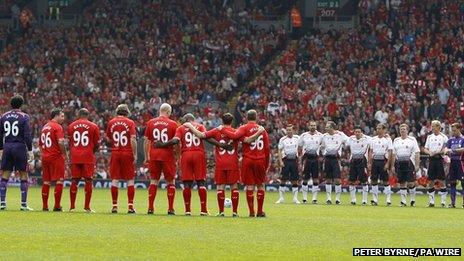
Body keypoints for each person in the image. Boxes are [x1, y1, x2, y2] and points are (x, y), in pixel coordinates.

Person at [184, 113, 261, 217]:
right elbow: (247, 140)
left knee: (221, 187)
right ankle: (234, 212)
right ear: (232, 121)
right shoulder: (236, 132)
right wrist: (260, 131)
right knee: (234, 187)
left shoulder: (217, 130)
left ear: (222, 121)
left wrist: (190, 126)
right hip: (233, 162)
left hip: (220, 163)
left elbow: (201, 135)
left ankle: (221, 212)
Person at [155, 113, 210, 216]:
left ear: (186, 119)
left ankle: (187, 210)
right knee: (200, 182)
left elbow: (176, 140)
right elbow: (206, 137)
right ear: (193, 119)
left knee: (187, 183)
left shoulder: (181, 128)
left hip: (186, 155)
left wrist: (162, 144)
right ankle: (203, 210)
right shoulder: (201, 126)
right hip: (199, 154)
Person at [144, 103, 178, 215]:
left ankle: (150, 208)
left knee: (153, 180)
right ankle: (170, 208)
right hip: (167, 155)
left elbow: (146, 141)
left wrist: (146, 156)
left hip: (154, 154)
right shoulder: (173, 124)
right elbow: (177, 143)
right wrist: (177, 156)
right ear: (168, 112)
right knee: (170, 181)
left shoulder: (151, 122)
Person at [0, 95, 34, 211]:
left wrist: (1, 149)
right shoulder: (24, 116)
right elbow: (27, 136)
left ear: (11, 104)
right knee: (24, 174)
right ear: (21, 104)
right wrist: (30, 150)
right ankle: (23, 205)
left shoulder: (3, 116)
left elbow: (0, 135)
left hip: (7, 146)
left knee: (5, 175)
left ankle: (2, 203)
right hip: (19, 147)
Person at [106, 104, 137, 214]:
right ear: (127, 112)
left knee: (115, 179)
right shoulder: (130, 123)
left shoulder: (111, 122)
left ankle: (114, 206)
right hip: (127, 152)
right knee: (130, 179)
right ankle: (130, 207)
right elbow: (133, 139)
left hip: (115, 152)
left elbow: (108, 138)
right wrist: (135, 154)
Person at [68, 108, 100, 212]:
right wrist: (91, 151)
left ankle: (72, 207)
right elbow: (97, 144)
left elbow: (70, 142)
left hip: (75, 156)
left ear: (78, 114)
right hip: (88, 156)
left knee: (74, 180)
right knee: (89, 180)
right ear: (87, 115)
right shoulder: (94, 126)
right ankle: (87, 207)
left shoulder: (71, 126)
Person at [39, 108, 67, 211]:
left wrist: (45, 154)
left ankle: (45, 206)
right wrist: (65, 154)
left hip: (45, 157)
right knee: (59, 181)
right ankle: (57, 206)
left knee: (46, 182)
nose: (63, 118)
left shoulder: (45, 126)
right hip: (55, 157)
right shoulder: (57, 127)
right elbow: (60, 142)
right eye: (62, 116)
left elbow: (40, 145)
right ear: (56, 116)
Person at [392, 124, 420, 207]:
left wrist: (417, 164)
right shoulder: (396, 140)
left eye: (404, 129)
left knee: (411, 183)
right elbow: (394, 154)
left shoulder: (412, 139)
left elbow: (417, 152)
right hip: (399, 163)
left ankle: (412, 200)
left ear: (407, 130)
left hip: (409, 162)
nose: (402, 131)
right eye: (401, 129)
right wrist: (393, 165)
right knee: (402, 182)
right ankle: (403, 201)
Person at [320, 121, 348, 205]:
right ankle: (328, 199)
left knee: (337, 179)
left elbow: (348, 140)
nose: (326, 128)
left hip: (336, 159)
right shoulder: (324, 136)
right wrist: (322, 149)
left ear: (332, 127)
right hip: (327, 159)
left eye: (327, 127)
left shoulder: (340, 134)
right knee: (328, 179)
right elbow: (321, 145)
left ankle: (337, 199)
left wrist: (344, 145)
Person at [423, 120, 448, 207]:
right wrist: (429, 152)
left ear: (438, 127)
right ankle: (431, 202)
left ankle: (443, 202)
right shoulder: (429, 137)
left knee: (441, 180)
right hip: (431, 160)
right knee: (430, 180)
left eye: (433, 126)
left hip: (439, 160)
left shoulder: (444, 137)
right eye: (432, 126)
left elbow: (445, 149)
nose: (432, 127)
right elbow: (425, 148)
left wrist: (437, 153)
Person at [298, 121, 323, 204]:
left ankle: (314, 199)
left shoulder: (320, 135)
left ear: (316, 126)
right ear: (308, 126)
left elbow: (324, 144)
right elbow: (299, 146)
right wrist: (300, 157)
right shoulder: (304, 135)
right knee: (305, 178)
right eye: (311, 125)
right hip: (306, 159)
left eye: (314, 125)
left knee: (315, 178)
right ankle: (304, 198)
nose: (313, 127)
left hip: (315, 158)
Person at [368, 123, 393, 206]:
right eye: (377, 128)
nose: (378, 130)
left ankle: (388, 200)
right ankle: (375, 200)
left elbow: (390, 152)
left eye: (380, 128)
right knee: (374, 180)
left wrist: (387, 163)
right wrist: (369, 162)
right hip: (375, 161)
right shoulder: (373, 139)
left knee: (385, 181)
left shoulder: (387, 139)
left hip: (383, 160)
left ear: (384, 130)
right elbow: (371, 151)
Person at [275, 124, 300, 204]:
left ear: (293, 130)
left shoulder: (297, 138)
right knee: (283, 180)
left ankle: (295, 198)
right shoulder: (283, 139)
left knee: (295, 180)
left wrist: (300, 155)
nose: (289, 131)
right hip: (285, 160)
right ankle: (281, 198)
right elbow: (279, 150)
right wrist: (281, 161)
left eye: (290, 130)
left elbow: (302, 146)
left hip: (294, 160)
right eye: (287, 130)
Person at [346, 126, 370, 205]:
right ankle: (353, 200)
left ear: (361, 132)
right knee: (352, 181)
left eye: (359, 132)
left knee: (364, 181)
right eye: (356, 132)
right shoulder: (351, 139)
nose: (357, 133)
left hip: (362, 161)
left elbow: (376, 139)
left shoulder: (367, 139)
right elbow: (344, 142)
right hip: (353, 161)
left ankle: (364, 200)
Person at [445, 122, 464, 208]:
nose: (453, 132)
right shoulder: (450, 140)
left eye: (455, 130)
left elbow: (463, 149)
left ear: (459, 129)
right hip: (452, 162)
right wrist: (446, 151)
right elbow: (446, 148)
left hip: (461, 163)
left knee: (463, 183)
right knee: (452, 183)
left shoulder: (463, 139)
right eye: (452, 130)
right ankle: (452, 203)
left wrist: (452, 150)